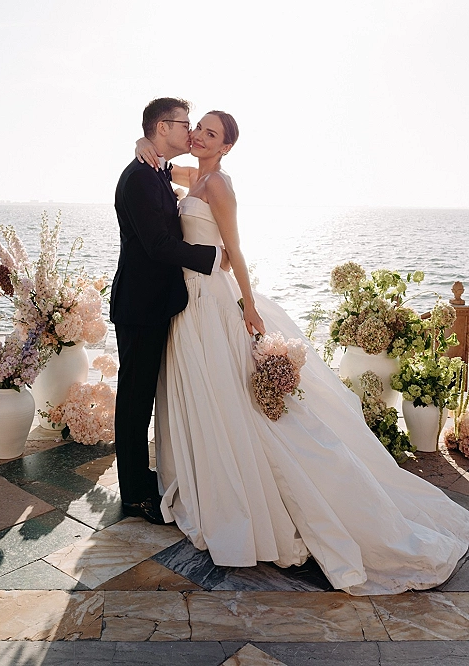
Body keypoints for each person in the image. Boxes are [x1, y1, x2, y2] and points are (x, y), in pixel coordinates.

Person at [135, 109, 469, 595]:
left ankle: (273, 500)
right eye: (198, 129)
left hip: (213, 300)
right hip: (188, 305)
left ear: (226, 146)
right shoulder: (191, 175)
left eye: (211, 133)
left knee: (237, 401)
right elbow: (161, 167)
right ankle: (212, 484)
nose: (200, 136)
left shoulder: (220, 186)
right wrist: (138, 144)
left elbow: (236, 251)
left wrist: (248, 305)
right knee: (207, 396)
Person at [110, 97, 228, 525]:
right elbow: (158, 246)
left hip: (158, 303)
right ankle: (136, 494)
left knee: (146, 396)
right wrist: (214, 259)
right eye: (184, 125)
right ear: (162, 127)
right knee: (135, 402)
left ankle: (143, 477)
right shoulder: (140, 177)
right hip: (140, 306)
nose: (190, 132)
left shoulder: (156, 169)